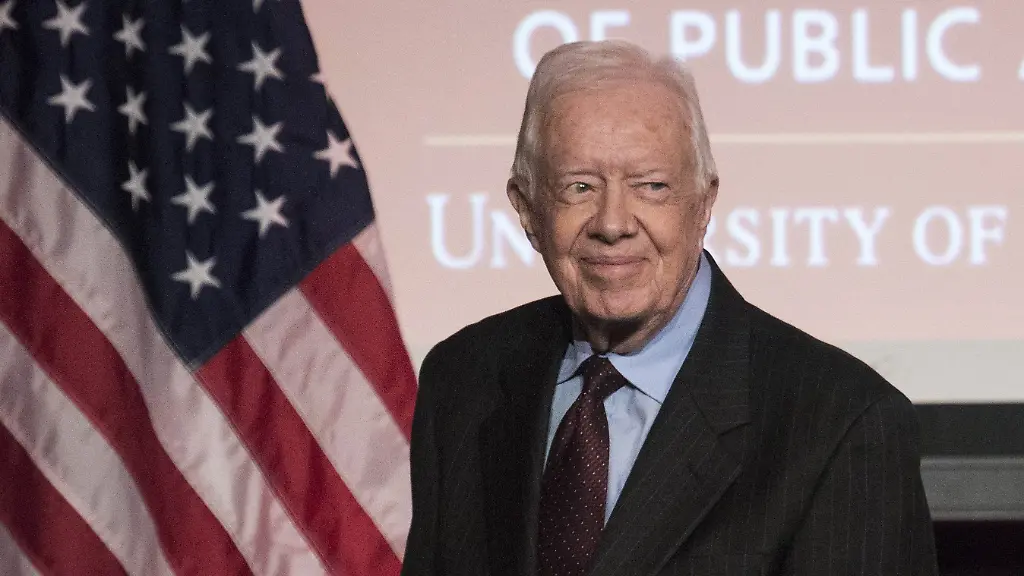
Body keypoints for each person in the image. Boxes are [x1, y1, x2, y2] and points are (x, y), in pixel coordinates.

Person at [401, 39, 938, 576]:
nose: (613, 224)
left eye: (651, 186)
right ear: (526, 209)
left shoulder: (841, 424)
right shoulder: (464, 380)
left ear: (704, 204)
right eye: (579, 187)